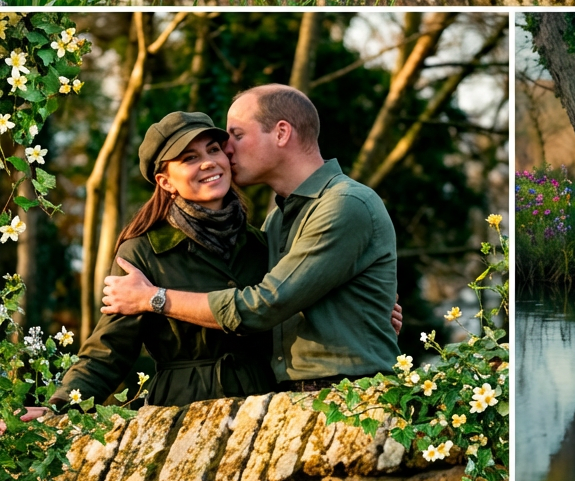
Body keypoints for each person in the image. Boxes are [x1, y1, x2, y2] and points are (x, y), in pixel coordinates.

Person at [102, 85, 401, 392]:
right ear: (165, 182)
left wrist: (153, 298)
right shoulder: (275, 222)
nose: (227, 150)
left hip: (349, 394)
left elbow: (263, 305)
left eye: (237, 136)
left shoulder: (345, 204)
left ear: (281, 133)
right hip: (283, 398)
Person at [50, 112, 278, 409]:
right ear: (166, 181)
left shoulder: (262, 245)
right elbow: (109, 349)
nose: (208, 162)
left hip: (263, 403)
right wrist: (59, 407)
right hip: (180, 410)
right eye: (189, 158)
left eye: (213, 149)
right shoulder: (141, 254)